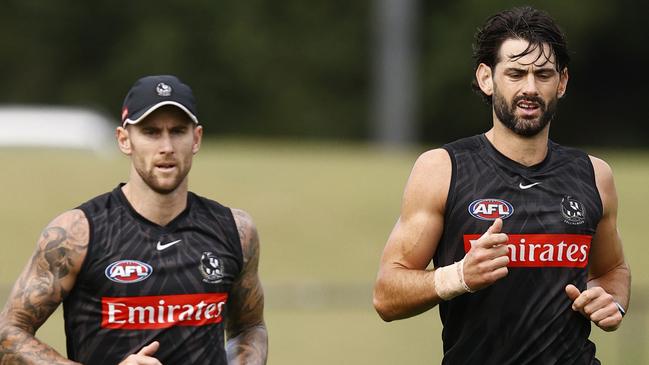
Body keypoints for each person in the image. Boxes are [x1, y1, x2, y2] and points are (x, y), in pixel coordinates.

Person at [373, 6, 630, 364]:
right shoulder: (442, 169)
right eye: (515, 73)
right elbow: (386, 295)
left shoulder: (594, 175)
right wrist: (459, 275)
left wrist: (611, 300)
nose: (530, 88)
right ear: (486, 78)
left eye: (543, 74)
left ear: (562, 82)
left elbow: (612, 271)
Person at [0, 75, 268, 364]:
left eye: (177, 131)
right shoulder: (77, 233)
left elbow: (249, 327)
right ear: (125, 140)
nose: (166, 146)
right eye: (151, 133)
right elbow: (8, 335)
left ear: (196, 139)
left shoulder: (235, 230)